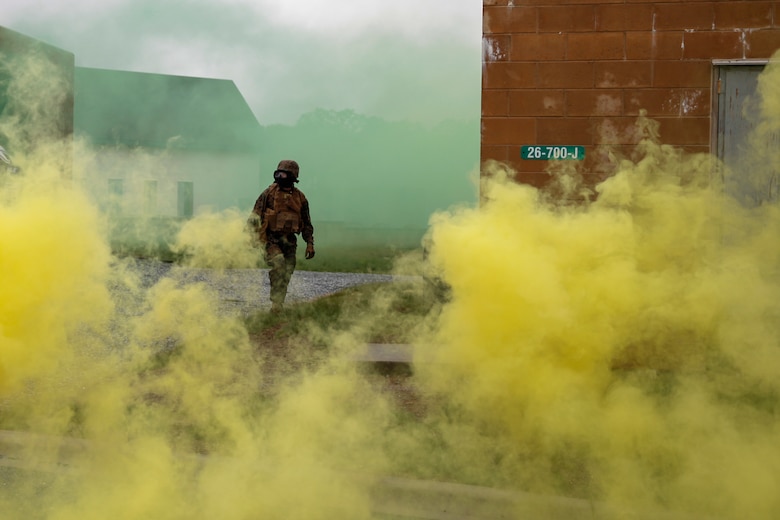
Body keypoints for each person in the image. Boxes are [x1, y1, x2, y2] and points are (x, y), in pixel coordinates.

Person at [248, 160, 315, 312]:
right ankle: (276, 304)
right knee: (279, 264)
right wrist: (251, 237)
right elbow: (254, 216)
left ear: (292, 176)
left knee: (287, 270)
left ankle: (279, 302)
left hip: (289, 240)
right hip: (270, 239)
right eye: (278, 173)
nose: (280, 176)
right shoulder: (268, 194)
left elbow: (306, 223)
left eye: (283, 173)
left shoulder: (300, 198)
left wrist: (310, 243)